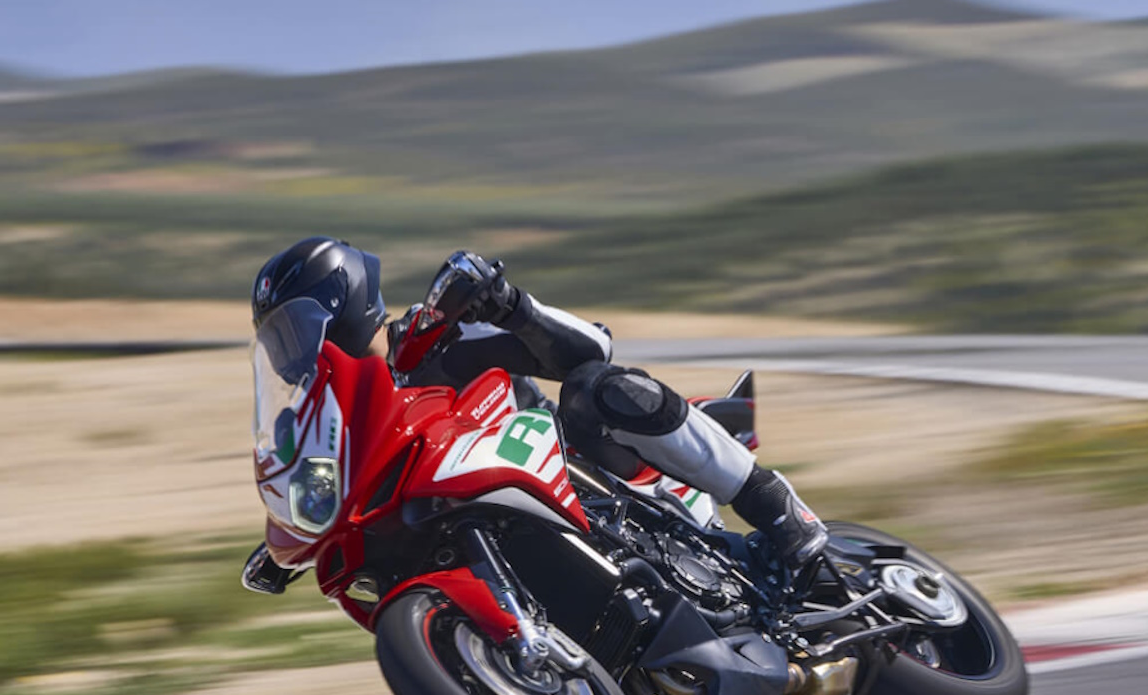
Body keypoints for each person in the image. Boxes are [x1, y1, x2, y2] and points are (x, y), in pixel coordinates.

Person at [241, 237, 827, 594]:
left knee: (596, 388)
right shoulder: (330, 418)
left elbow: (592, 348)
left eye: (295, 330)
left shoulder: (432, 335)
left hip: (583, 477)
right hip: (475, 524)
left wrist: (510, 307)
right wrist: (291, 541)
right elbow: (330, 483)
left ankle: (774, 506)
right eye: (278, 340)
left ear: (343, 304)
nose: (291, 349)